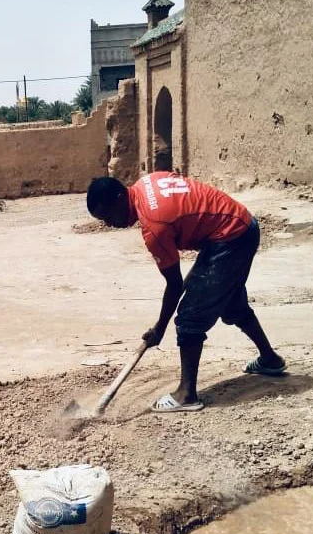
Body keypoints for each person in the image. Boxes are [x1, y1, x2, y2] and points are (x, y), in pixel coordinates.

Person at [86, 172, 285, 413]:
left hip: (231, 236)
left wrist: (159, 328)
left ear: (119, 197)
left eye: (108, 216)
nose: (109, 224)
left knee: (191, 315)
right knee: (230, 302)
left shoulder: (154, 227)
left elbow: (174, 285)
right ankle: (270, 360)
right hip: (240, 225)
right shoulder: (147, 181)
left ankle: (186, 394)